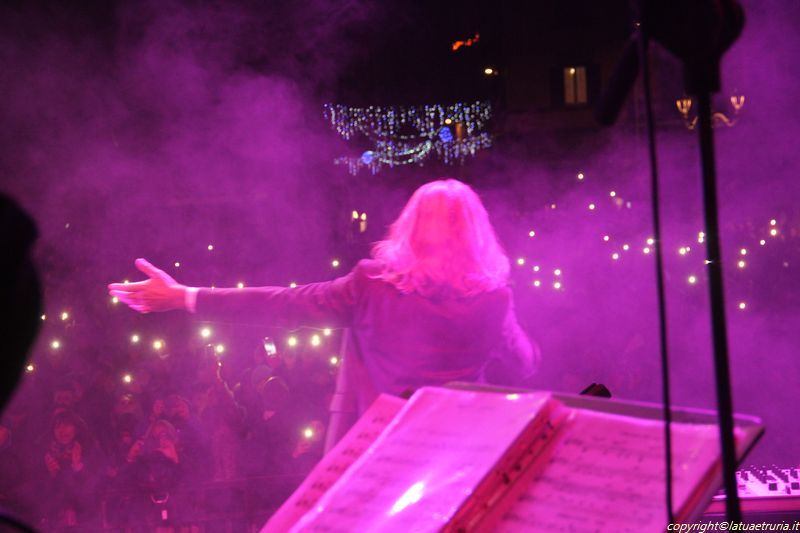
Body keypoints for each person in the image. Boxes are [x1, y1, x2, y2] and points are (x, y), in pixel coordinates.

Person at [109, 179, 538, 449]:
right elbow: (523, 365)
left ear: (411, 227)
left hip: (390, 449)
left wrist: (187, 296)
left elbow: (282, 304)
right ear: (477, 235)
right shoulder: (495, 299)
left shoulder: (373, 285)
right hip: (466, 451)